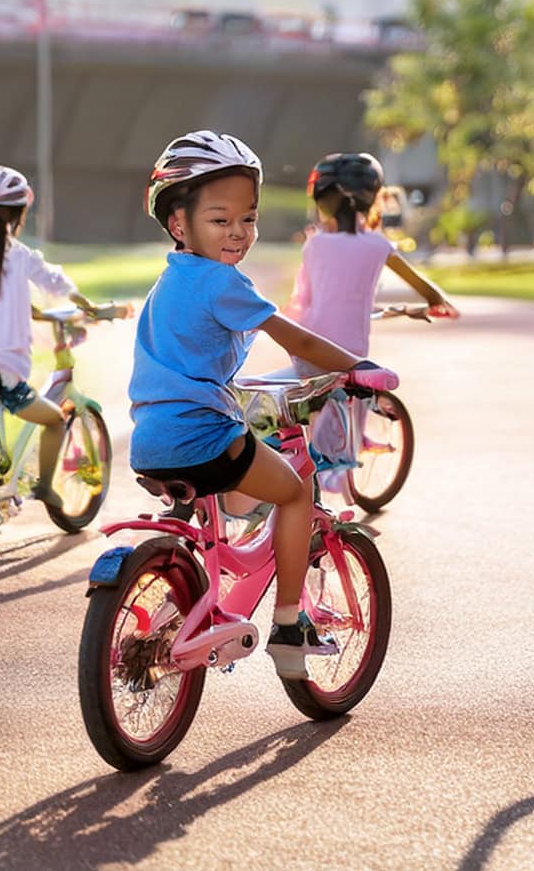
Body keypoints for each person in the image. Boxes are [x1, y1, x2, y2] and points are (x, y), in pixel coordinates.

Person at [128, 130, 400, 679]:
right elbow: (296, 341)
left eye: (247, 219)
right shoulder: (220, 282)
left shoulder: (169, 282)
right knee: (297, 491)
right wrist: (356, 367)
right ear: (179, 223)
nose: (238, 233)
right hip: (202, 435)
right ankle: (289, 624)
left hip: (150, 438)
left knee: (242, 483)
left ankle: (195, 598)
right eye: (220, 219)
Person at [0, 164, 106, 491]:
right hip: (5, 371)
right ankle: (44, 487)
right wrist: (84, 304)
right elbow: (56, 282)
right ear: (18, 215)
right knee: (56, 419)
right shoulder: (22, 257)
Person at [284, 151, 456, 376]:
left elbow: (308, 306)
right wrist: (427, 305)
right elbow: (430, 295)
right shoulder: (378, 245)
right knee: (351, 400)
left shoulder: (315, 245)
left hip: (311, 352)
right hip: (353, 355)